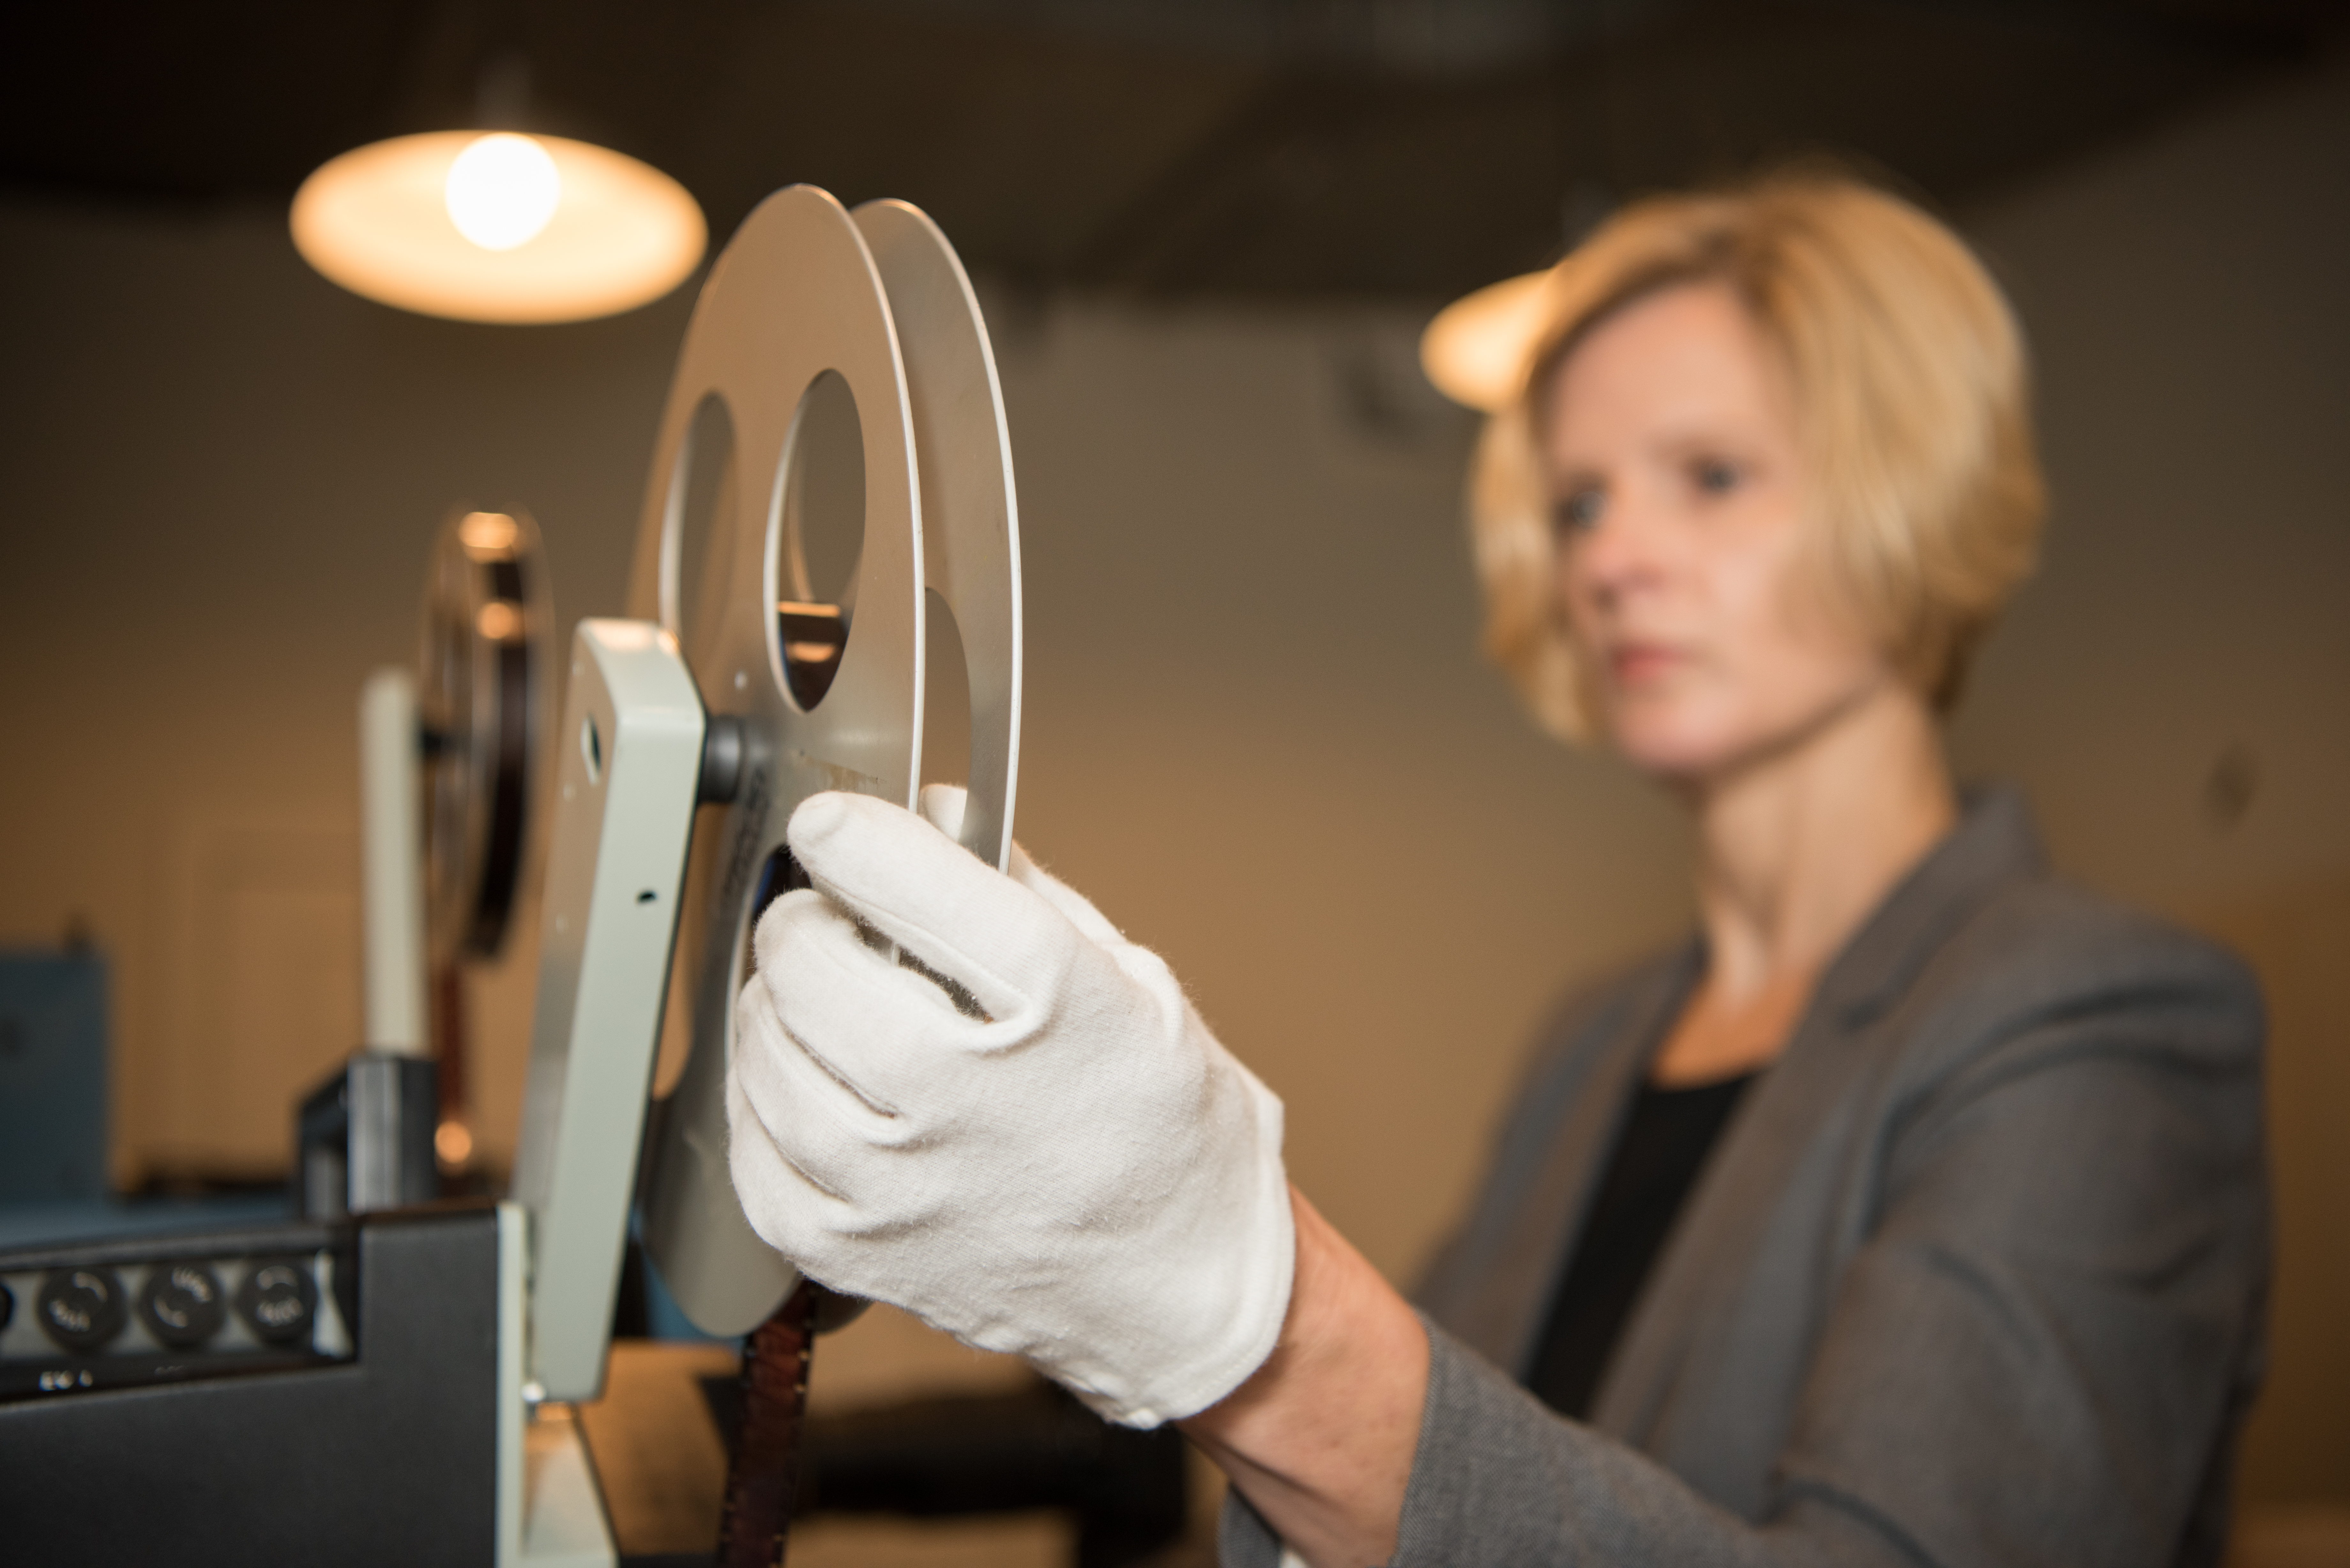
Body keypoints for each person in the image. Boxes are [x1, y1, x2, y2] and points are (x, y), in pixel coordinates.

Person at [724, 172, 2269, 1567]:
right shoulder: (1597, 1039)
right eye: (1581, 499)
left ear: (1907, 490)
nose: (1608, 558)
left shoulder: (2102, 1019)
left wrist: (1246, 1316)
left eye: (1709, 476)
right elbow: (1414, 1489)